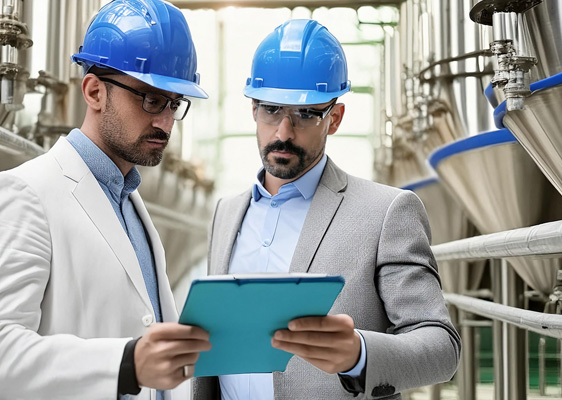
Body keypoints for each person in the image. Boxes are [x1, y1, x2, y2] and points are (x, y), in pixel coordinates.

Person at [193, 19, 461, 400]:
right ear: (253, 109)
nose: (284, 132)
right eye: (271, 109)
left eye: (305, 114)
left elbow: (441, 348)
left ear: (334, 118)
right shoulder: (226, 213)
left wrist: (359, 353)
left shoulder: (386, 212)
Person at [0, 1, 211, 399]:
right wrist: (127, 365)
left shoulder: (131, 200)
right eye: (150, 99)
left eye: (174, 103)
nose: (165, 122)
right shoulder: (26, 192)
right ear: (95, 91)